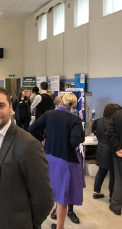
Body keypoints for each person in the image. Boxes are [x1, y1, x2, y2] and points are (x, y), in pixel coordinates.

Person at [0, 86, 53, 229]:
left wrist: (28, 224)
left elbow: (43, 198)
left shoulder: (28, 145)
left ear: (10, 107)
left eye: (1, 106)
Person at [29, 93, 85, 229]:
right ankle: (60, 227)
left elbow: (31, 128)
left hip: (49, 157)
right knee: (62, 197)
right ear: (72, 105)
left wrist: (43, 139)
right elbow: (75, 140)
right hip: (65, 161)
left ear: (60, 102)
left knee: (51, 190)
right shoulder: (74, 120)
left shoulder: (49, 114)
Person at [49, 95, 82, 224]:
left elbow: (77, 138)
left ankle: (67, 210)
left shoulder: (72, 119)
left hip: (63, 155)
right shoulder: (53, 117)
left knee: (65, 185)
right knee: (64, 185)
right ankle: (59, 209)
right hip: (63, 155)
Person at [92, 103, 121, 202]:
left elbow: (95, 133)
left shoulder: (97, 121)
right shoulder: (116, 123)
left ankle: (96, 192)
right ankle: (112, 196)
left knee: (101, 171)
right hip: (113, 150)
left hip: (101, 148)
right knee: (113, 174)